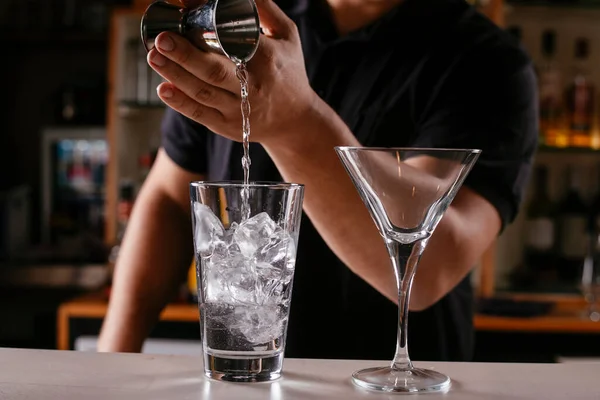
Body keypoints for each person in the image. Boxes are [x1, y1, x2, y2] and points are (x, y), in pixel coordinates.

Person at [98, 0, 537, 361]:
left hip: (394, 386)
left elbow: (429, 262)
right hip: (240, 382)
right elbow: (170, 201)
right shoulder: (245, 32)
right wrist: (111, 363)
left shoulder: (486, 63)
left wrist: (296, 123)